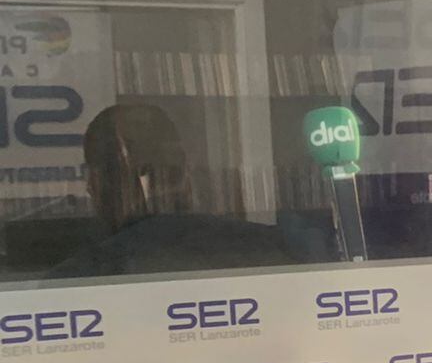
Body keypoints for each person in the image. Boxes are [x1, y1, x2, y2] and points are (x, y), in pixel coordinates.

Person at [43, 103, 298, 278]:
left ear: (121, 174)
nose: (88, 186)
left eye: (93, 169)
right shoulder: (264, 246)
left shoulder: (83, 276)